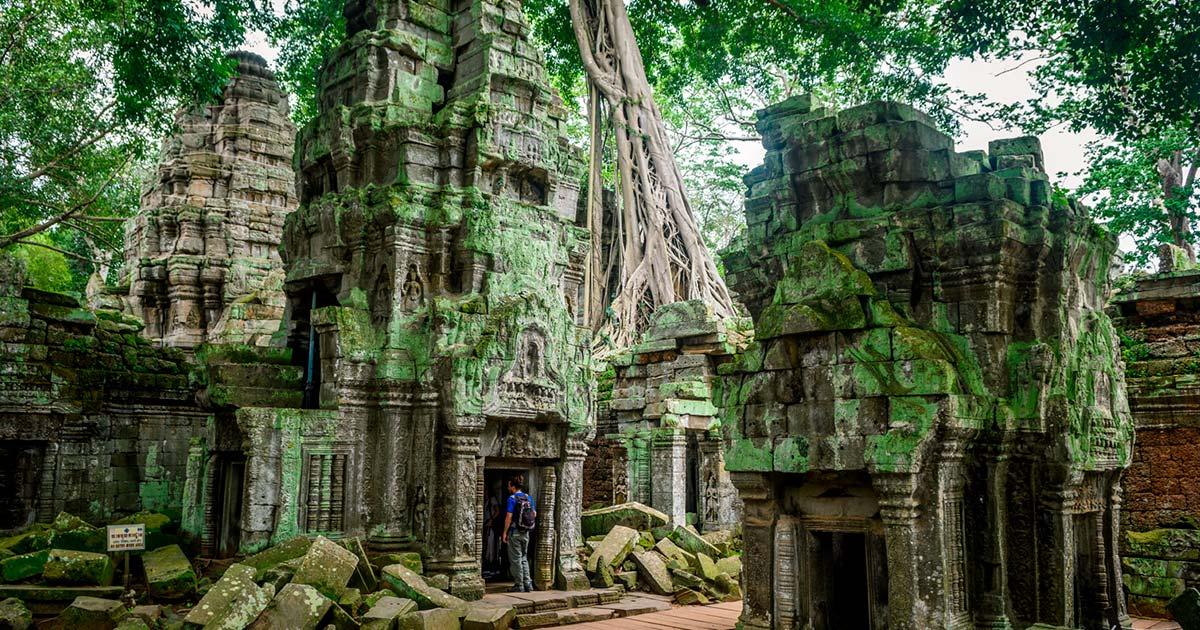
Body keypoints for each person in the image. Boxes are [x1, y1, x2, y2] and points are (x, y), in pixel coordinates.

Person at [502, 474, 536, 592]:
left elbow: (508, 516)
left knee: (516, 559)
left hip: (514, 531)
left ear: (512, 486)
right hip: (526, 532)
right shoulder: (529, 498)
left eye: (508, 486)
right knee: (524, 558)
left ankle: (519, 585)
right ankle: (528, 584)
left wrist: (505, 532)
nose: (508, 488)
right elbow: (534, 514)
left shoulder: (512, 499)